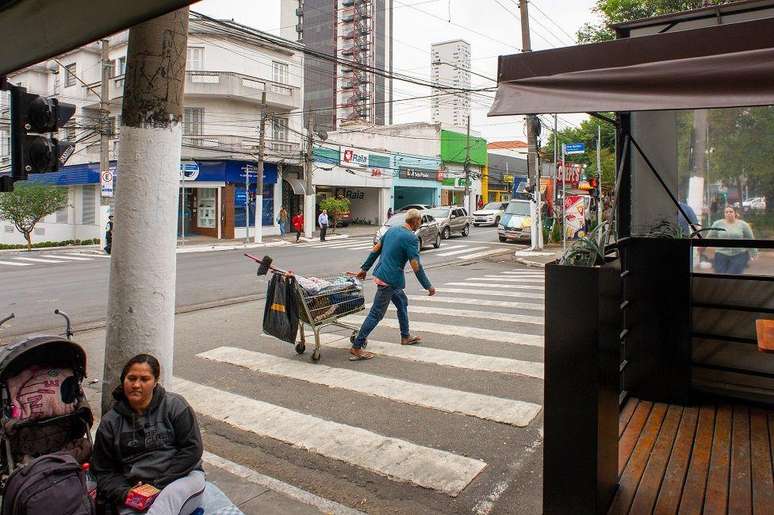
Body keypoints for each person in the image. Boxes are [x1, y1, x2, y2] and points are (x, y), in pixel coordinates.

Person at [92, 354, 204, 515]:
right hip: (136, 489)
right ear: (123, 380)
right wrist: (124, 493)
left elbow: (192, 449)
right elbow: (103, 470)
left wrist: (158, 484)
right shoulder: (110, 422)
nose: (136, 385)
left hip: (182, 479)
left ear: (155, 382)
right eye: (131, 378)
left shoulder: (175, 406)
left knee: (169, 498)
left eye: (144, 379)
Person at [350, 209, 435, 360]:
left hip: (387, 276)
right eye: (420, 221)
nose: (420, 224)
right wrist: (428, 286)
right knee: (376, 314)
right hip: (389, 280)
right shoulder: (411, 238)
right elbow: (416, 266)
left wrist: (364, 269)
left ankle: (405, 336)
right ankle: (357, 346)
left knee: (402, 303)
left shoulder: (392, 230)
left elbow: (375, 250)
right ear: (415, 221)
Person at [708, 206, 757, 274]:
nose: (728, 213)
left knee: (733, 277)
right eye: (726, 212)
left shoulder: (743, 224)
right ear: (724, 214)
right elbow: (709, 237)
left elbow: (751, 238)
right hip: (721, 254)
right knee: (720, 277)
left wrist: (754, 253)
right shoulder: (717, 224)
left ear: (735, 213)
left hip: (739, 254)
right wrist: (702, 248)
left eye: (731, 211)